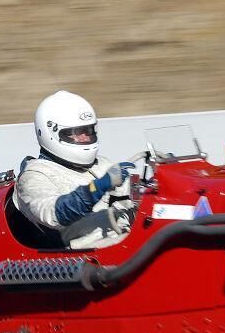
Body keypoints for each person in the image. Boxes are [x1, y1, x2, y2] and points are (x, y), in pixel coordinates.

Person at [14, 90, 136, 249]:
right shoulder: (34, 176)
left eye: (89, 131)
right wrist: (98, 187)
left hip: (129, 241)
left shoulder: (103, 164)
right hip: (89, 258)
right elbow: (54, 214)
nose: (85, 138)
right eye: (77, 133)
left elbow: (129, 205)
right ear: (50, 132)